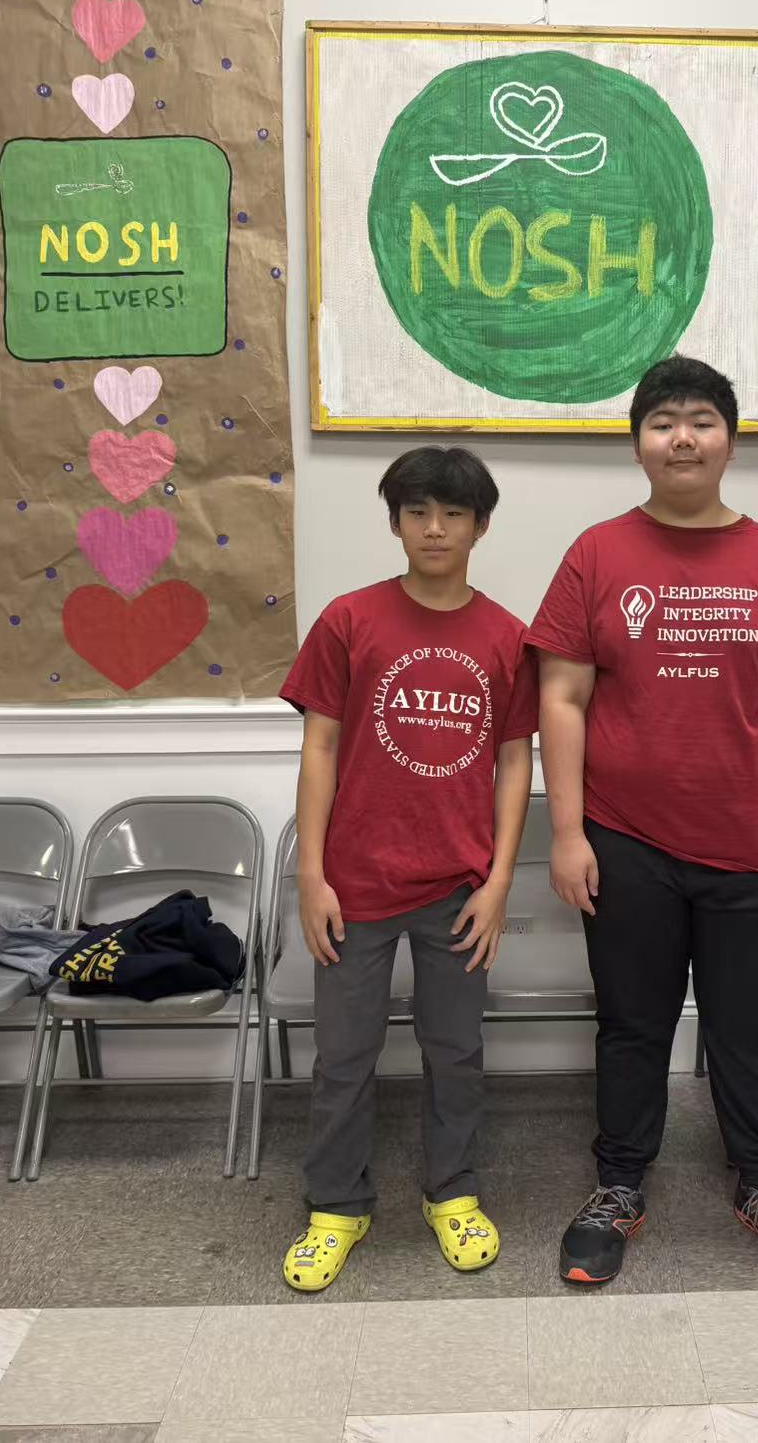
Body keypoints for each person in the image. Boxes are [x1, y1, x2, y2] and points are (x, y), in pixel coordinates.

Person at [528, 357, 758, 1287]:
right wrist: (567, 832)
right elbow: (562, 698)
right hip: (625, 841)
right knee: (632, 1023)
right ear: (638, 443)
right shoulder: (597, 554)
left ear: (730, 443)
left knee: (750, 1027)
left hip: (754, 847)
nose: (683, 436)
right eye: (663, 420)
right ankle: (618, 1184)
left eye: (702, 420)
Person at [278, 446, 537, 1291]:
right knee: (343, 1056)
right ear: (394, 522)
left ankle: (451, 1192)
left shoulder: (507, 636)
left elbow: (515, 761)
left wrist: (498, 882)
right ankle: (335, 1206)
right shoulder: (348, 621)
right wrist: (311, 874)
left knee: (455, 1050)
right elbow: (319, 747)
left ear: (480, 527)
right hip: (353, 886)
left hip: (459, 887)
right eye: (418, 511)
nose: (435, 528)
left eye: (453, 513)